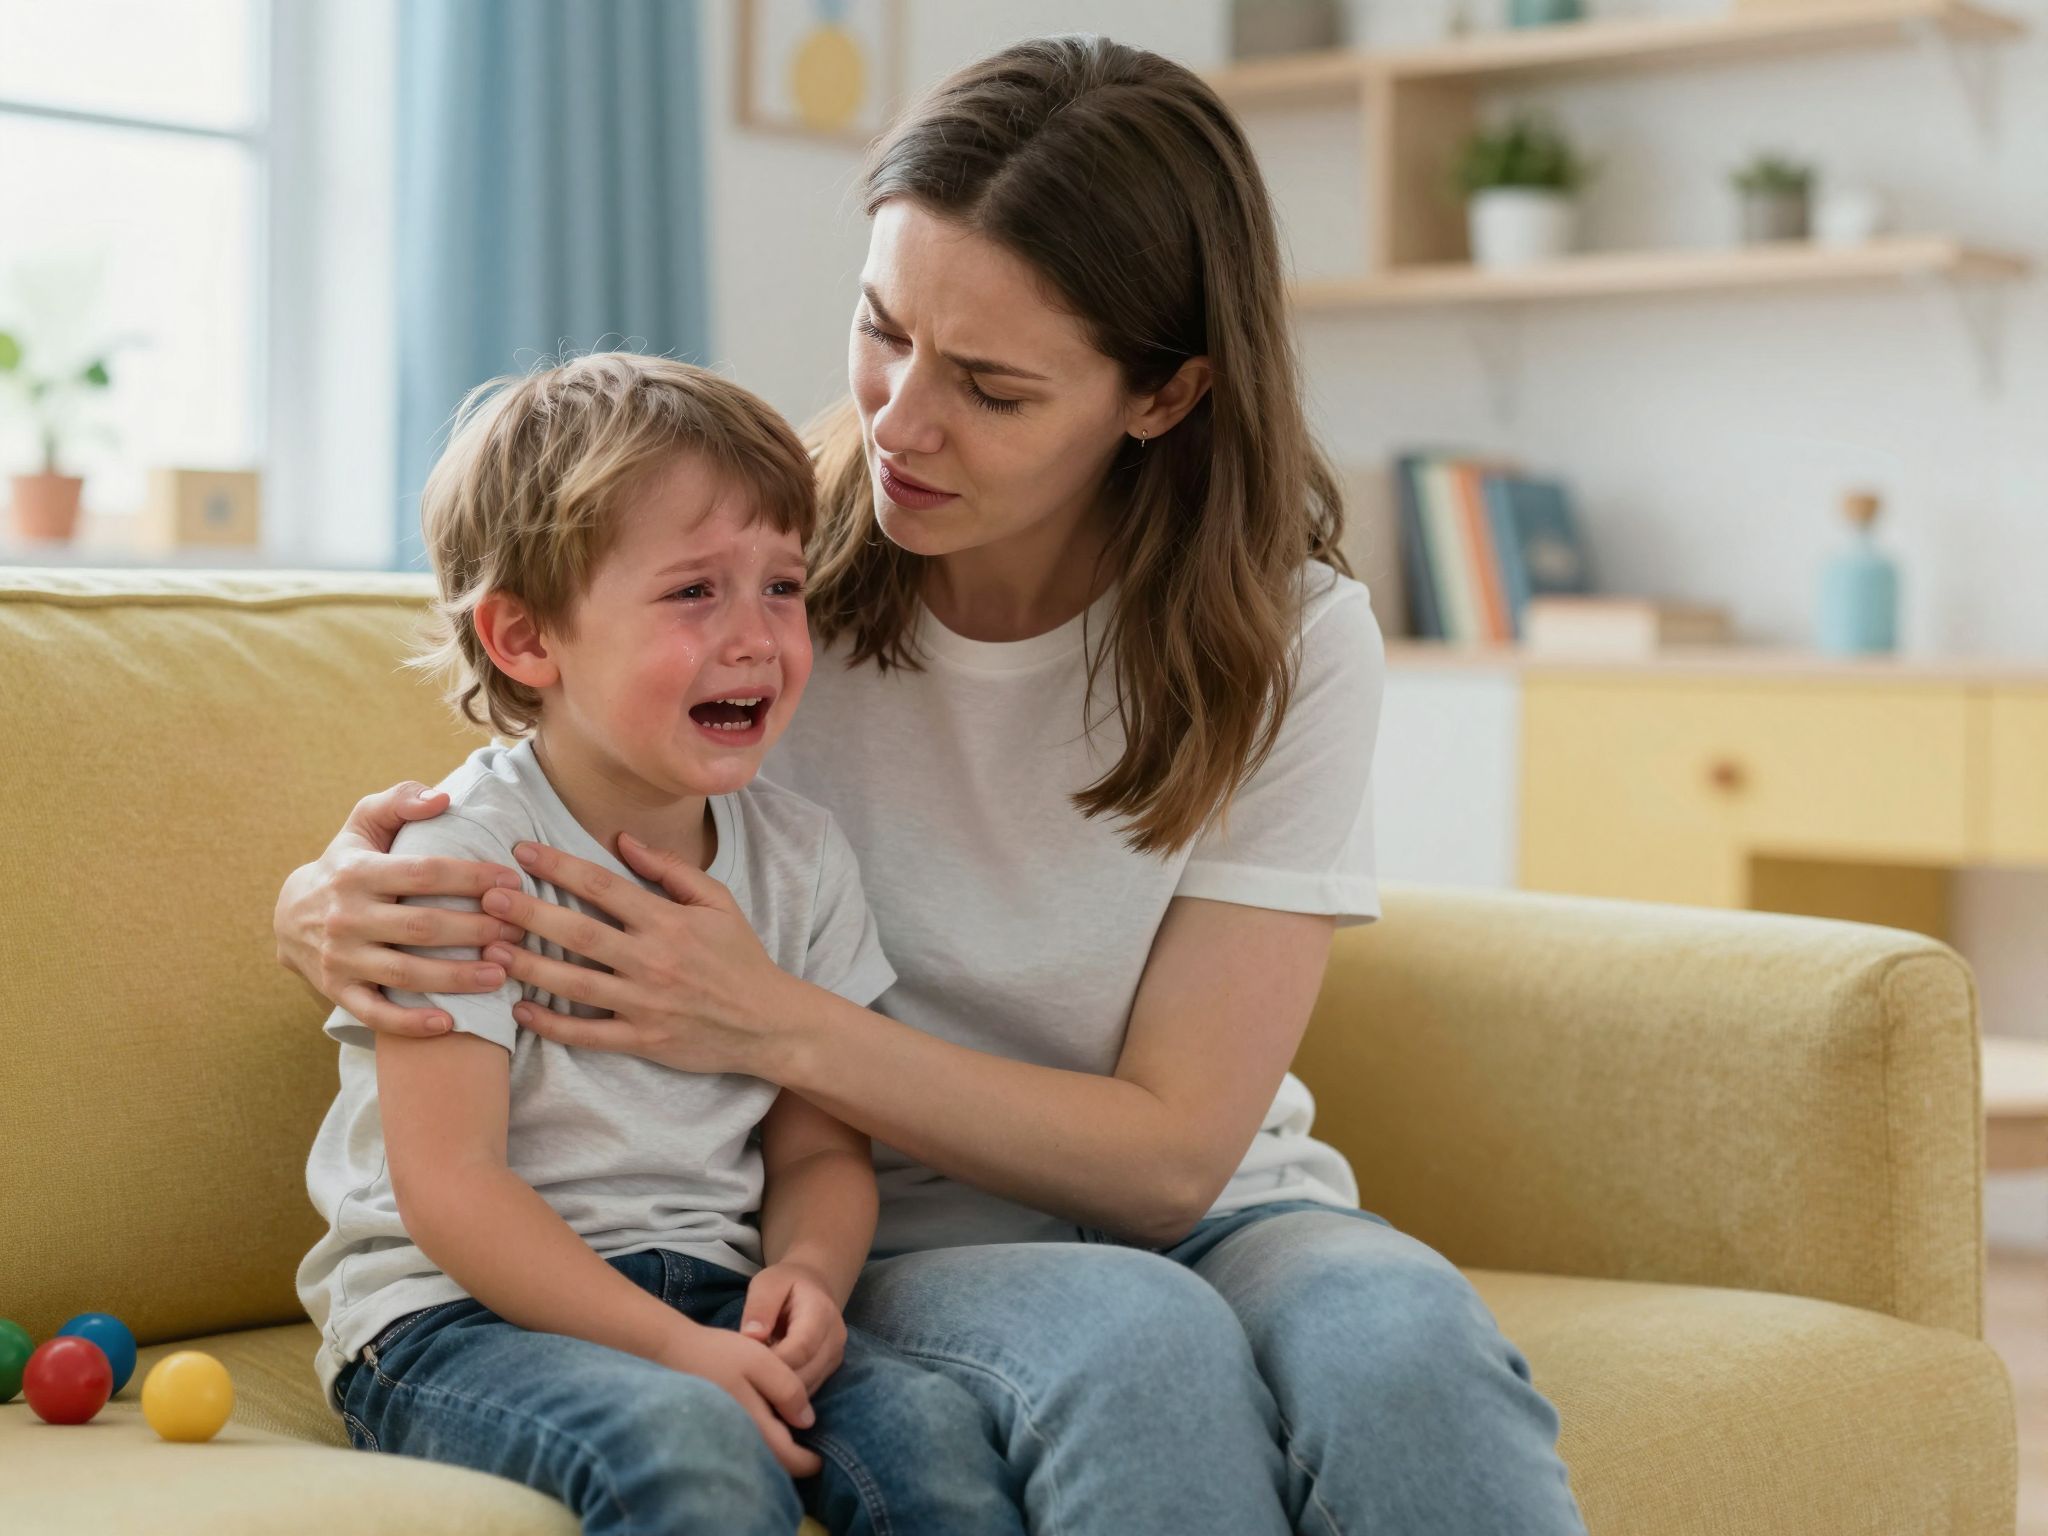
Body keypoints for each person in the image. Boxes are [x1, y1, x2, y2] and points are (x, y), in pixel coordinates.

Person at [278, 35, 1587, 1535]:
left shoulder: (1284, 634)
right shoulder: (771, 579)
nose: (902, 422)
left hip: (1219, 1201)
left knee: (1410, 1353)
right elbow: (525, 739)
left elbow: (1172, 1159)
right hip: (892, 1227)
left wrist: (765, 1014)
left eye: (992, 385)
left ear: (1160, 397)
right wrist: (323, 902)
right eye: (882, 330)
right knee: (1132, 1354)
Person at [294, 354, 1025, 1536]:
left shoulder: (800, 859)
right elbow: (452, 1191)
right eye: (694, 592)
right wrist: (676, 1352)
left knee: (936, 1442)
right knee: (688, 1448)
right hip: (454, 1317)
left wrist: (809, 1279)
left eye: (780, 586)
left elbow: (818, 1157)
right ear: (527, 640)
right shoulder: (458, 863)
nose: (755, 637)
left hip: (713, 1295)